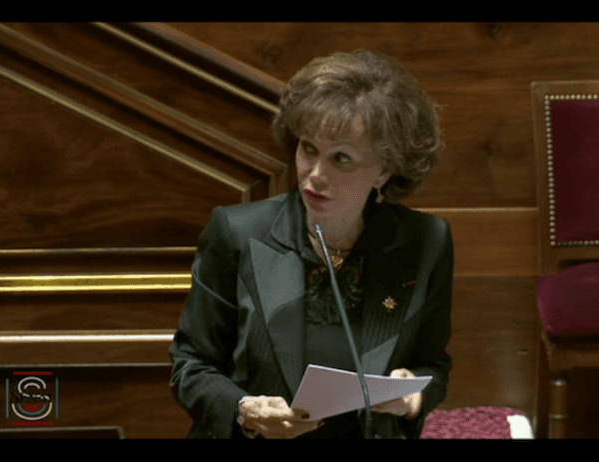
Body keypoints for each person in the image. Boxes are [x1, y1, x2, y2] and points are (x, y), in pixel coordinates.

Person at [169, 49, 454, 439]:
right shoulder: (238, 233)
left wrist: (412, 397)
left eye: (342, 158)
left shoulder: (426, 242)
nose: (315, 174)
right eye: (308, 149)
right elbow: (191, 366)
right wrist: (245, 410)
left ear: (385, 169)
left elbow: (433, 364)